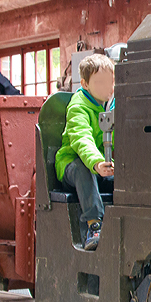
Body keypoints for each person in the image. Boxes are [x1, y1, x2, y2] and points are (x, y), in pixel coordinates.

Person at [55, 53, 115, 251]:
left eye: (111, 82)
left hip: (100, 164)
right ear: (85, 83)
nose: (108, 88)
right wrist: (97, 162)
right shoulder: (78, 107)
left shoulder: (110, 106)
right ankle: (94, 225)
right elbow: (82, 140)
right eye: (101, 82)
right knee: (83, 169)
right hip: (72, 164)